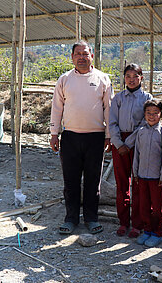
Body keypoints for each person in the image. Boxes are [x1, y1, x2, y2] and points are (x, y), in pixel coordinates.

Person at [50, 40, 113, 235]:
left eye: (85, 54)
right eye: (78, 54)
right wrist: (54, 134)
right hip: (70, 137)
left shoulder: (102, 79)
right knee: (71, 181)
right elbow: (57, 108)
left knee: (93, 181)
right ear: (72, 57)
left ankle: (91, 219)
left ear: (91, 56)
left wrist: (108, 136)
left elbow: (109, 109)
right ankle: (71, 219)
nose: (82, 57)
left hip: (95, 137)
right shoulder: (65, 79)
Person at [109, 64, 152, 238]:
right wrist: (119, 144)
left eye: (135, 76)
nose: (131, 79)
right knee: (121, 184)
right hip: (119, 145)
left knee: (139, 183)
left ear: (141, 77)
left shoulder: (147, 98)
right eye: (128, 76)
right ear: (124, 78)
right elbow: (111, 122)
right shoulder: (118, 98)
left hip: (139, 143)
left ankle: (138, 223)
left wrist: (130, 143)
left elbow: (145, 123)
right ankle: (123, 222)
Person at [131, 100, 162, 247]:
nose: (151, 116)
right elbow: (137, 153)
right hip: (142, 176)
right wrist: (135, 172)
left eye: (155, 113)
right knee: (144, 206)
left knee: (157, 207)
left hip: (156, 177)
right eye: (148, 113)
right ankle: (147, 230)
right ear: (144, 114)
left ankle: (158, 233)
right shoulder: (141, 132)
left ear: (161, 115)